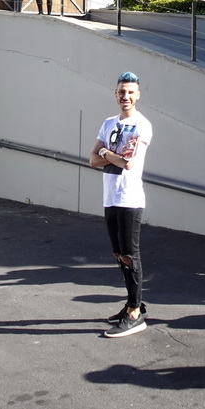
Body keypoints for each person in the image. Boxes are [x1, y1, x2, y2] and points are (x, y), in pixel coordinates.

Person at [89, 71, 153, 338]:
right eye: (121, 92)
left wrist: (105, 153)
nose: (125, 96)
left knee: (130, 254)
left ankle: (136, 313)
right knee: (118, 254)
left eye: (130, 92)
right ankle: (131, 303)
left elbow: (129, 163)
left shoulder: (142, 125)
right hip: (110, 197)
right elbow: (93, 159)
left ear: (138, 95)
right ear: (115, 94)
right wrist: (108, 154)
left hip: (129, 199)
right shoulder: (108, 123)